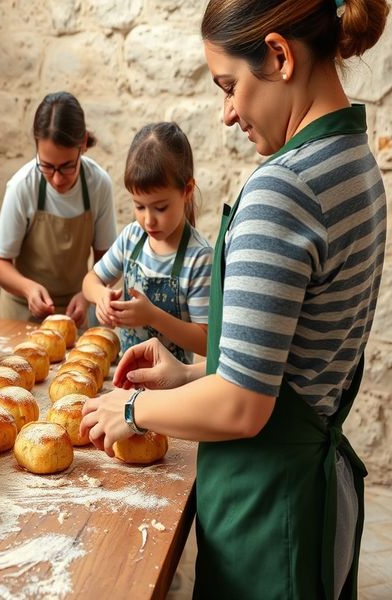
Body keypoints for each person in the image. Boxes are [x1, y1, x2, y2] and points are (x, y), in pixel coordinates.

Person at [80, 1, 388, 598]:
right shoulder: (355, 160)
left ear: (279, 55)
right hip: (308, 494)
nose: (226, 114)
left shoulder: (284, 188)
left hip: (268, 511)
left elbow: (244, 406)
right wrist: (188, 374)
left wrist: (132, 410)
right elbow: (292, 369)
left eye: (229, 87)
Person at [82, 122, 212, 363]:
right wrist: (101, 296)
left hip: (173, 382)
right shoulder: (132, 238)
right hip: (127, 373)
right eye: (139, 206)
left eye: (160, 208)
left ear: (187, 191)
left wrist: (153, 316)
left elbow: (206, 342)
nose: (149, 220)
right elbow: (90, 281)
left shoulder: (199, 258)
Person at [0, 91, 117, 326]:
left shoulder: (98, 184)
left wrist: (87, 295)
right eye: (47, 166)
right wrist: (28, 288)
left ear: (83, 144)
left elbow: (107, 262)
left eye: (67, 166)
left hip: (75, 312)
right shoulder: (22, 186)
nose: (57, 179)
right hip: (22, 312)